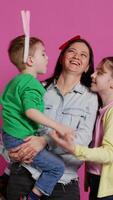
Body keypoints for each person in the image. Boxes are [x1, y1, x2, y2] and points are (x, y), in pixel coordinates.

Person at [1, 35, 98, 200]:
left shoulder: (91, 98)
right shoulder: (37, 88)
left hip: (64, 183)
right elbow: (11, 122)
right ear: (61, 59)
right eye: (72, 51)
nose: (76, 56)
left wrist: (45, 140)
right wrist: (8, 153)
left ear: (88, 66)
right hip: (25, 174)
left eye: (83, 55)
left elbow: (82, 138)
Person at [50, 57, 113, 200]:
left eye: (100, 72)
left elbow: (110, 153)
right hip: (97, 181)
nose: (92, 75)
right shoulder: (100, 109)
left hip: (108, 187)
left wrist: (74, 149)